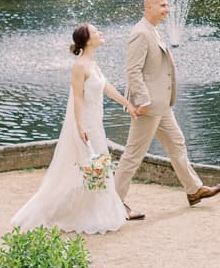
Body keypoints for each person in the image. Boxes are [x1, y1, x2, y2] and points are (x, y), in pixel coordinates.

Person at [10, 23, 140, 234]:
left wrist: (127, 105)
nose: (100, 33)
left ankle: (97, 210)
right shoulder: (80, 66)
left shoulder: (92, 62)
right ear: (87, 40)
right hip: (87, 123)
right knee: (92, 166)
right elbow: (77, 98)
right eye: (96, 31)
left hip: (95, 121)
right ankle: (79, 213)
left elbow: (105, 87)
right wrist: (80, 126)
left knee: (96, 167)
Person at [115, 0, 220, 217]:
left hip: (161, 104)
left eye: (167, 5)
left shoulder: (153, 31)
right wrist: (143, 100)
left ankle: (194, 190)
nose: (168, 10)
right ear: (149, 8)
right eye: (163, 5)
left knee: (177, 144)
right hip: (148, 106)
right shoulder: (140, 33)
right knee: (133, 155)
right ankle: (115, 203)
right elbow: (132, 70)